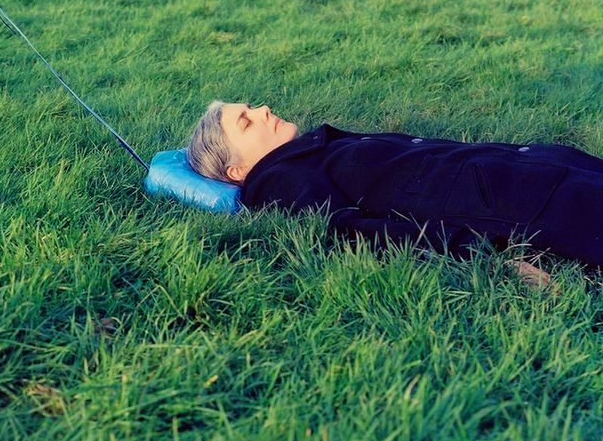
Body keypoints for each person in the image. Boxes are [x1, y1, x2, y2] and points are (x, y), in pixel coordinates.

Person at [187, 101, 603, 290]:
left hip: (532, 170)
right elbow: (355, 232)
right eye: (245, 122)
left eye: (251, 108)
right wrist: (487, 257)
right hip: (528, 202)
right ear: (237, 170)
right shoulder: (278, 183)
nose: (261, 111)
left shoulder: (304, 153)